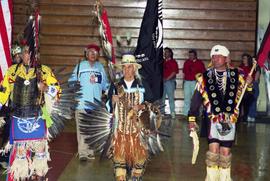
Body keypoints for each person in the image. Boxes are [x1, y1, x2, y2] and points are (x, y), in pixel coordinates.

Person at [188, 45, 252, 181]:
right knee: (213, 151)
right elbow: (195, 100)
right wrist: (192, 119)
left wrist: (249, 86)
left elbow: (247, 98)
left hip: (230, 120)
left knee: (225, 152)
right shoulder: (204, 77)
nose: (216, 59)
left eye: (219, 56)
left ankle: (224, 178)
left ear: (226, 58)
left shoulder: (237, 76)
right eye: (213, 56)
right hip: (211, 120)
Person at [0, 44, 60, 180]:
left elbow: (57, 91)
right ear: (21, 55)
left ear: (37, 55)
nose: (30, 55)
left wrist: (46, 88)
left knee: (39, 156)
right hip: (18, 118)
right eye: (27, 52)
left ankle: (37, 176)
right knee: (20, 157)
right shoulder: (12, 72)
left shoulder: (44, 71)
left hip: (37, 118)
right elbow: (2, 93)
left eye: (33, 53)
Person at [107, 54, 149, 181]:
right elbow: (108, 106)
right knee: (120, 168)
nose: (126, 70)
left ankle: (136, 176)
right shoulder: (115, 86)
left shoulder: (142, 85)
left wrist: (141, 106)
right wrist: (112, 101)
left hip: (138, 132)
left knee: (138, 165)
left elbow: (151, 104)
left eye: (129, 67)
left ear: (134, 69)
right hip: (120, 132)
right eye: (124, 67)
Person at [69, 44, 109, 161]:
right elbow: (71, 81)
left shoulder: (100, 68)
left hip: (96, 104)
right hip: (82, 102)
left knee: (93, 129)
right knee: (82, 128)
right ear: (86, 54)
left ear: (98, 55)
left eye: (95, 52)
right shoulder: (80, 66)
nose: (93, 54)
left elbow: (104, 85)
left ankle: (91, 151)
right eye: (90, 52)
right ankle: (82, 153)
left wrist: (112, 90)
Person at [182, 49, 206, 116]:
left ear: (195, 55)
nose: (190, 56)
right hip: (187, 82)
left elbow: (203, 73)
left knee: (195, 99)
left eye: (192, 55)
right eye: (189, 55)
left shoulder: (200, 63)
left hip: (195, 82)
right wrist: (183, 82)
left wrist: (200, 83)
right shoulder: (186, 62)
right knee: (186, 98)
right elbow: (184, 73)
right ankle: (186, 114)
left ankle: (196, 114)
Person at [162, 47, 179, 118]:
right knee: (162, 98)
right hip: (162, 82)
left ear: (170, 53)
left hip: (170, 81)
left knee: (171, 98)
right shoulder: (162, 62)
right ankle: (162, 112)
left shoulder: (173, 62)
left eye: (167, 52)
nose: (165, 53)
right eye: (164, 52)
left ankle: (172, 112)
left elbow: (174, 72)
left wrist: (167, 79)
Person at [238, 53, 255, 122]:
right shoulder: (240, 67)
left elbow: (252, 79)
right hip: (240, 88)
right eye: (243, 58)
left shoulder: (251, 68)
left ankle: (245, 118)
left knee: (246, 105)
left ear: (248, 60)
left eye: (245, 58)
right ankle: (238, 119)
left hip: (247, 89)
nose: (244, 60)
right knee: (239, 104)